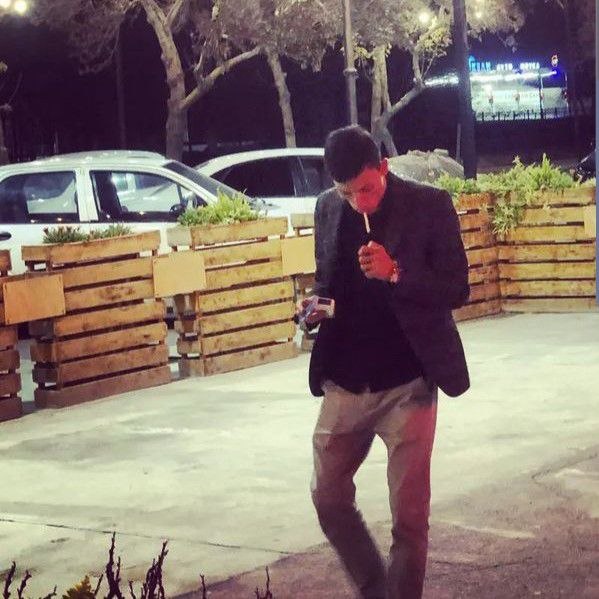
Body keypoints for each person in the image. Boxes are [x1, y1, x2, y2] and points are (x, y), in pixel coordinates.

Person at [299, 125, 470, 599]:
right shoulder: (327, 208)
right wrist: (314, 308)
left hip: (408, 383)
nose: (359, 201)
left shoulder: (429, 205)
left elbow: (457, 288)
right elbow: (328, 283)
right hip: (345, 381)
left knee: (409, 518)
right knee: (328, 498)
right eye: (346, 192)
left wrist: (395, 272)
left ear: (384, 168)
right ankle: (377, 589)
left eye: (366, 188)